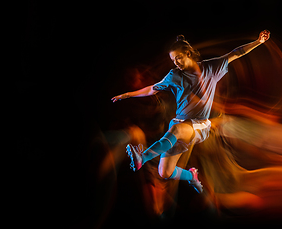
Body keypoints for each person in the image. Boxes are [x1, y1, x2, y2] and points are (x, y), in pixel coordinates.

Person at [111, 30, 271, 193]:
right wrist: (127, 95)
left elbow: (235, 54)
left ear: (188, 53)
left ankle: (142, 157)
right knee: (164, 172)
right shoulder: (174, 75)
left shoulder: (211, 67)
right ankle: (191, 176)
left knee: (176, 130)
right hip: (180, 125)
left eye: (178, 58)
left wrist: (258, 42)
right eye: (173, 60)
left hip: (199, 125)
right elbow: (152, 89)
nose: (176, 63)